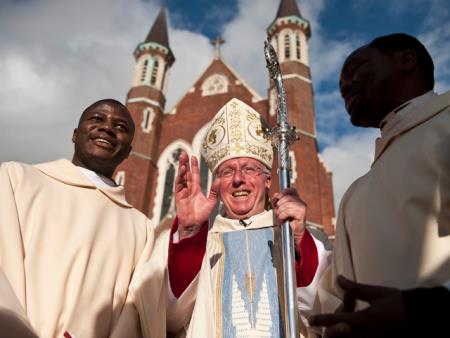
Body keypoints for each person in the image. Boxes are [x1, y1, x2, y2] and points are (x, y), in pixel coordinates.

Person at [134, 98, 327, 338]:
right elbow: (169, 318)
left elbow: (319, 312)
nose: (238, 179)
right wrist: (191, 235)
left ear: (268, 180)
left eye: (249, 169)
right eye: (227, 171)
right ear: (218, 183)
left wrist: (297, 241)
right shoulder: (192, 241)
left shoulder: (294, 238)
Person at [313, 33, 450, 336]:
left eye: (356, 68)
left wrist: (427, 309)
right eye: (339, 83)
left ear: (406, 60)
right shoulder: (355, 195)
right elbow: (335, 296)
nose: (345, 85)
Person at [0, 99, 159, 338]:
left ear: (129, 152)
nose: (107, 128)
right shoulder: (15, 179)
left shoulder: (141, 228)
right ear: (75, 134)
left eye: (121, 127)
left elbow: (134, 312)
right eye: (97, 119)